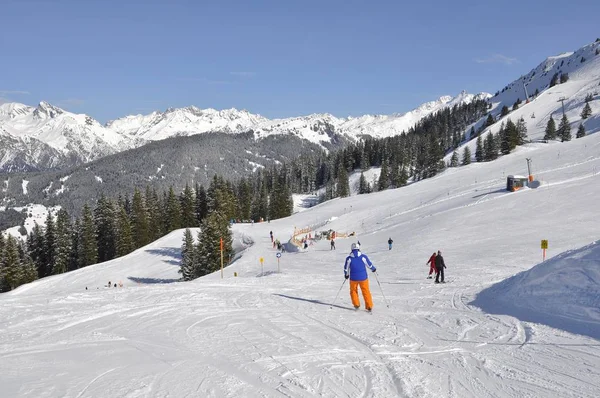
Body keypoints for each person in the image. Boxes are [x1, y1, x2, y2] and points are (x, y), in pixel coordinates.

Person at [344, 243, 376, 311]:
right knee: (365, 291)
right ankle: (369, 305)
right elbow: (369, 264)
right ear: (358, 248)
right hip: (363, 278)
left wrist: (346, 274)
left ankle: (356, 304)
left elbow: (346, 268)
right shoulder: (363, 257)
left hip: (353, 278)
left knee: (353, 291)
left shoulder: (349, 258)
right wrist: (373, 269)